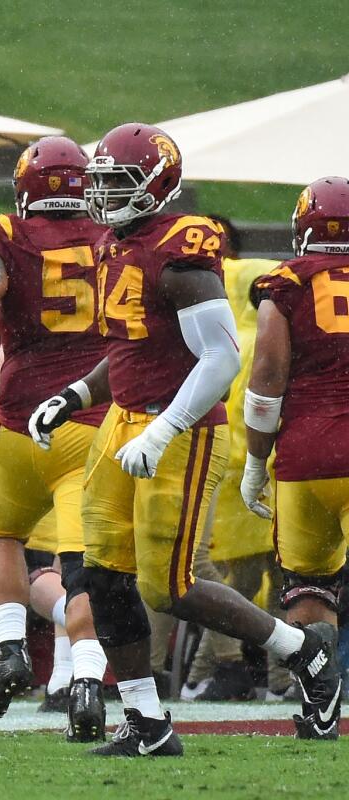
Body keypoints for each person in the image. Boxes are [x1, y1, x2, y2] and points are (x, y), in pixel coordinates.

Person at [30, 123, 341, 756]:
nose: (103, 197)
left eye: (117, 184)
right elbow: (128, 347)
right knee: (104, 575)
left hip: (180, 428)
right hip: (122, 419)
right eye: (100, 183)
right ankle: (147, 723)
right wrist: (75, 396)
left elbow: (223, 356)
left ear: (155, 187)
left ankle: (300, 650)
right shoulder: (117, 245)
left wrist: (165, 427)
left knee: (167, 585)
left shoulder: (179, 251)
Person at [0, 136, 109, 741]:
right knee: (83, 564)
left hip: (19, 426)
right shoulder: (111, 238)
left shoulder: (7, 236)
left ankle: (11, 647)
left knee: (1, 537)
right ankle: (86, 679)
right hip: (92, 424)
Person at [242, 176, 349, 738]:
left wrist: (256, 461)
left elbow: (266, 381)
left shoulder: (286, 283)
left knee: (309, 584)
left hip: (309, 454)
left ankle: (320, 707)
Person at [180, 216, 285, 702]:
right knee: (273, 570)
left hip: (236, 451)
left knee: (196, 568)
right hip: (265, 452)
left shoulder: (233, 284)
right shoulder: (267, 291)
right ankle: (255, 675)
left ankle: (227, 671)